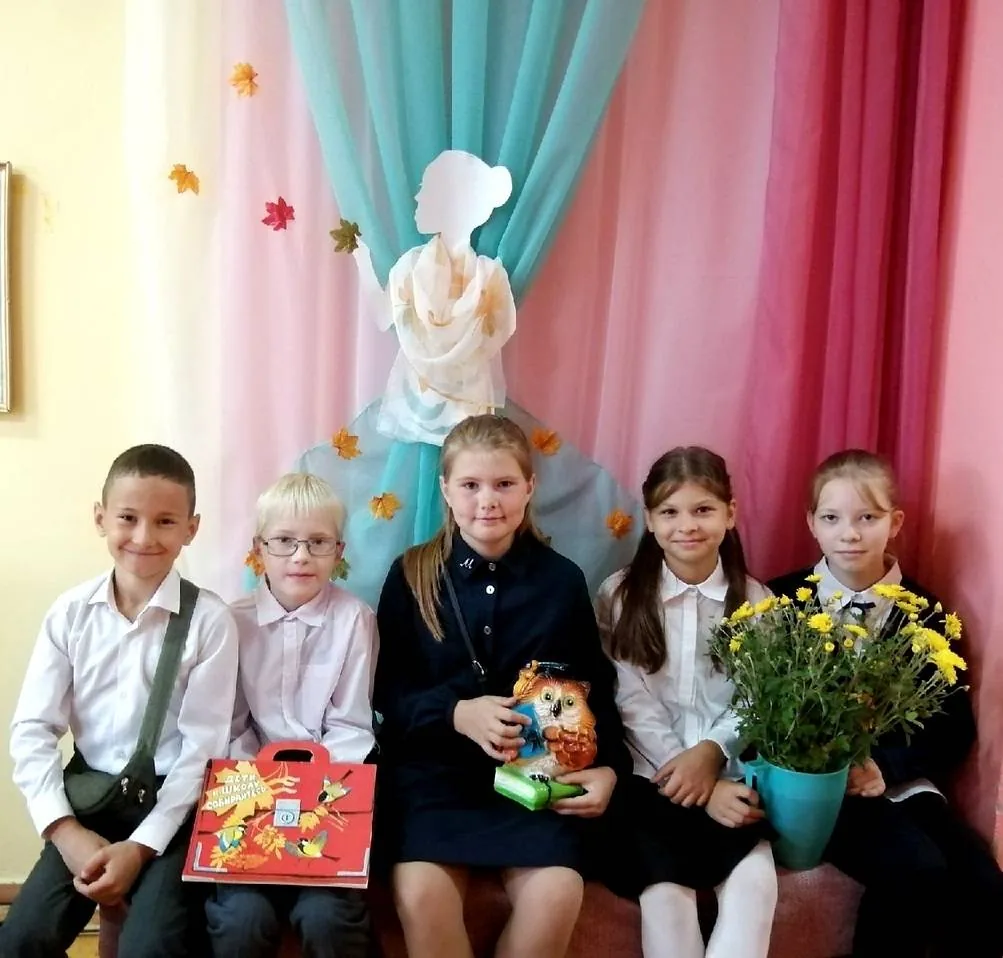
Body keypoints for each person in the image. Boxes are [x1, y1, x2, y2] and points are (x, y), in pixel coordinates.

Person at [373, 414, 631, 958]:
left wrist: (610, 770)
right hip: (432, 783)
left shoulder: (562, 581)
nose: (487, 501)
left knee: (558, 894)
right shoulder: (411, 575)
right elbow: (385, 697)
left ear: (530, 487)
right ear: (446, 490)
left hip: (535, 779)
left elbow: (593, 688)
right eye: (470, 485)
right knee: (422, 897)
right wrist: (455, 713)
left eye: (504, 484)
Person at [0, 444, 239, 958]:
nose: (144, 537)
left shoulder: (211, 621)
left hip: (173, 812)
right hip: (88, 805)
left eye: (165, 521)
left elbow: (203, 751)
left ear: (191, 529)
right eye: (128, 518)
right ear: (100, 518)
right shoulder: (70, 614)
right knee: (20, 941)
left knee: (150, 947)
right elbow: (32, 730)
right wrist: (65, 831)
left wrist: (142, 847)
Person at [769, 448, 1003, 958]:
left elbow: (952, 726)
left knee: (983, 881)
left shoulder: (927, 614)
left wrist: (886, 767)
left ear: (895, 523)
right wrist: (831, 769)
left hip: (902, 783)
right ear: (811, 523)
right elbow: (766, 714)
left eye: (867, 518)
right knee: (916, 866)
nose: (849, 534)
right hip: (819, 792)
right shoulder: (781, 601)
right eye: (832, 518)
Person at [598, 446, 777, 958]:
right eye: (670, 512)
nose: (687, 526)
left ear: (730, 513)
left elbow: (756, 698)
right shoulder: (619, 596)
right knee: (666, 898)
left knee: (756, 887)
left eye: (703, 510)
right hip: (647, 783)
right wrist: (693, 777)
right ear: (650, 519)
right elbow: (628, 700)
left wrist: (713, 756)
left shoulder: (758, 603)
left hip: (730, 776)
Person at [205, 473, 377, 958]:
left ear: (338, 551)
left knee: (328, 918)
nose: (300, 556)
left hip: (329, 791)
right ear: (259, 548)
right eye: (284, 541)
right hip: (248, 792)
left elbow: (351, 724)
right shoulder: (232, 621)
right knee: (241, 920)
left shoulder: (356, 620)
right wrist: (264, 786)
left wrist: (309, 792)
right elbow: (230, 725)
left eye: (317, 542)